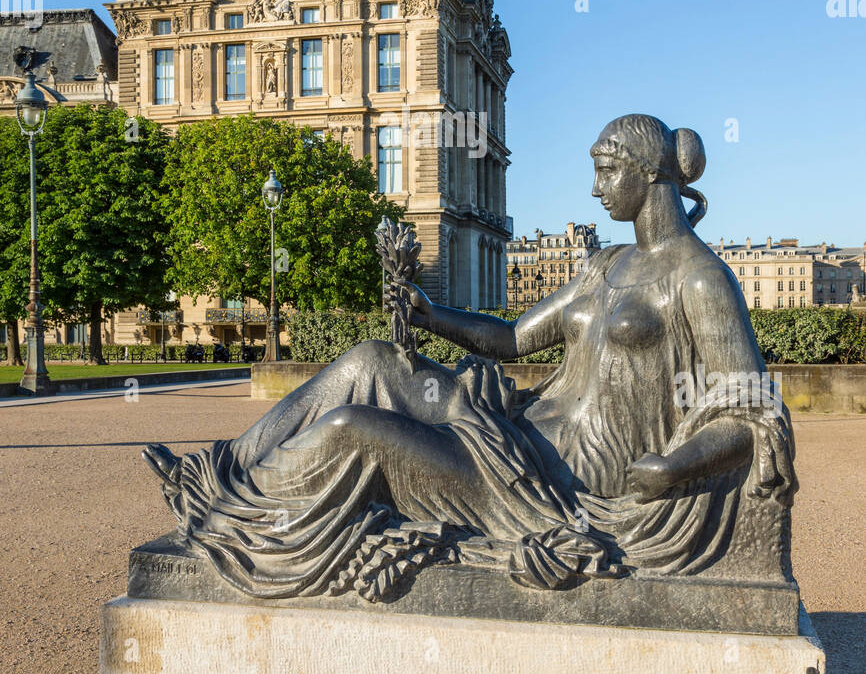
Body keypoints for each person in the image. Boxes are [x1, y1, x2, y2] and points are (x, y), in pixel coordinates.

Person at [144, 115, 795, 601]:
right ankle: (215, 477)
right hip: (517, 436)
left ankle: (233, 517)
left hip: (559, 486)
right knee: (371, 361)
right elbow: (512, 339)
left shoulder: (699, 279)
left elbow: (751, 412)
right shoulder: (606, 266)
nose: (595, 187)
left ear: (651, 173)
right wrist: (432, 316)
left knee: (354, 433)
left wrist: (676, 466)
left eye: (607, 169)